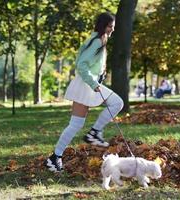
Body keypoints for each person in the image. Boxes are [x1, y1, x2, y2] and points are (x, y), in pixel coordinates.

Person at [44, 12, 124, 172]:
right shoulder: (96, 41)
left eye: (113, 27)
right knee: (116, 103)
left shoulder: (98, 39)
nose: (112, 30)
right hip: (86, 84)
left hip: (88, 84)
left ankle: (56, 157)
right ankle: (92, 134)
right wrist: (94, 83)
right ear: (102, 25)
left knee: (76, 124)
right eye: (110, 27)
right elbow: (81, 64)